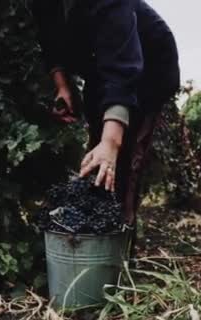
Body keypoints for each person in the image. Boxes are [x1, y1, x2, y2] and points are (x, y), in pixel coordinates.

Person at [32, 0, 180, 229]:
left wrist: (111, 142)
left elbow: (122, 67)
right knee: (97, 153)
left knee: (123, 161)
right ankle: (94, 229)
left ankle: (119, 247)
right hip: (99, 67)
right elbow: (49, 36)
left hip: (150, 69)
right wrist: (62, 85)